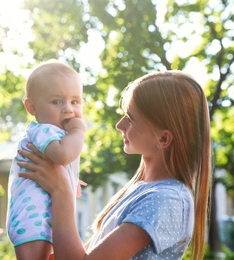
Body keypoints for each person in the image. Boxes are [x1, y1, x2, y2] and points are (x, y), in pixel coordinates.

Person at [17, 70, 212, 260]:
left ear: (163, 138)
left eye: (130, 118)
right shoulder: (141, 190)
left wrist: (61, 191)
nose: (119, 125)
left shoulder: (167, 199)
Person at [6, 59, 86, 260]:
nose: (68, 109)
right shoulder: (43, 130)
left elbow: (59, 164)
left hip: (40, 220)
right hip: (33, 220)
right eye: (57, 102)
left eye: (75, 101)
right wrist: (78, 130)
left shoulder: (53, 134)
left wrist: (71, 179)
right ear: (32, 107)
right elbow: (63, 155)